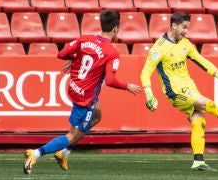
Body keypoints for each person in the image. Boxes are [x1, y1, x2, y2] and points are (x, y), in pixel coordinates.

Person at [24, 10, 142, 174]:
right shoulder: (112, 52)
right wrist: (128, 86)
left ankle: (64, 153)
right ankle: (36, 153)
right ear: (116, 28)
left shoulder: (85, 39)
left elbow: (61, 54)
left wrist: (74, 58)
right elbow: (110, 80)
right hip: (86, 98)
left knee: (97, 116)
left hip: (74, 88)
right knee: (72, 135)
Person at [140, 12, 218, 172]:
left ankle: (198, 161)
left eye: (187, 28)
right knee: (207, 104)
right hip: (175, 91)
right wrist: (149, 94)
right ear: (174, 26)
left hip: (190, 87)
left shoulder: (186, 44)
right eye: (184, 28)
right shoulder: (159, 48)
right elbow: (145, 72)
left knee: (199, 121)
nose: (185, 32)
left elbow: (202, 62)